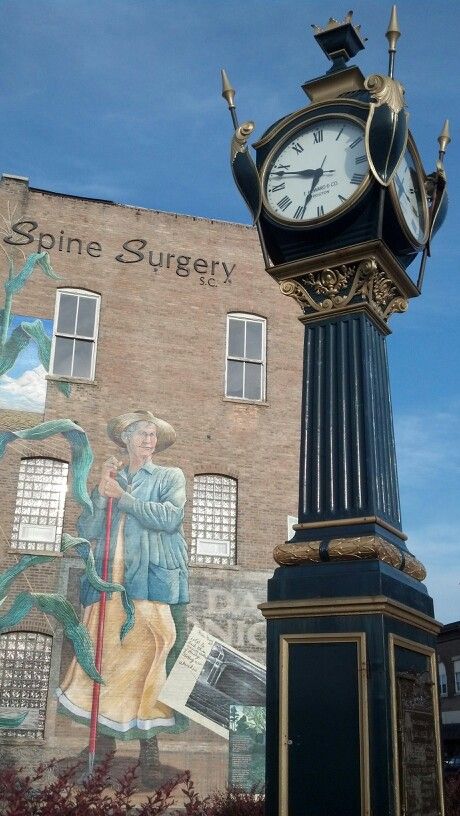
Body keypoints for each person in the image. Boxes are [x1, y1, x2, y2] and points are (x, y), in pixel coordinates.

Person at [56, 410, 189, 786]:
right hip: (109, 581)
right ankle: (104, 743)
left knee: (150, 653)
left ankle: (149, 746)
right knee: (107, 654)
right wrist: (101, 493)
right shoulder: (113, 476)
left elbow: (170, 517)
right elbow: (90, 529)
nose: (148, 440)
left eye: (152, 434)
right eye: (141, 434)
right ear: (125, 439)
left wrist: (124, 498)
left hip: (148, 579)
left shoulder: (168, 476)